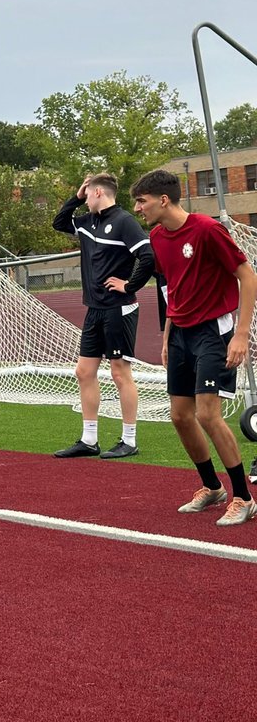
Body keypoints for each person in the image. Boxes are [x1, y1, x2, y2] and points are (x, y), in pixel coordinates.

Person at [131, 169, 256, 526]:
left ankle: (244, 497)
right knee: (180, 416)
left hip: (213, 333)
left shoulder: (206, 229)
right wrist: (169, 334)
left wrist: (242, 333)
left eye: (142, 201)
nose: (139, 208)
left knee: (206, 414)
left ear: (163, 199)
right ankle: (211, 487)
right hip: (181, 334)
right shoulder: (157, 237)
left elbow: (248, 276)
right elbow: (171, 286)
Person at [52, 173, 155, 460]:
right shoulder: (86, 223)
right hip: (95, 309)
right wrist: (76, 196)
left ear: (97, 192)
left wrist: (129, 285)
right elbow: (59, 222)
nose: (84, 200)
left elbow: (148, 257)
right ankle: (89, 439)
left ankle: (130, 440)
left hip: (118, 309)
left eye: (87, 194)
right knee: (84, 372)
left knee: (120, 373)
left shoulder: (124, 221)